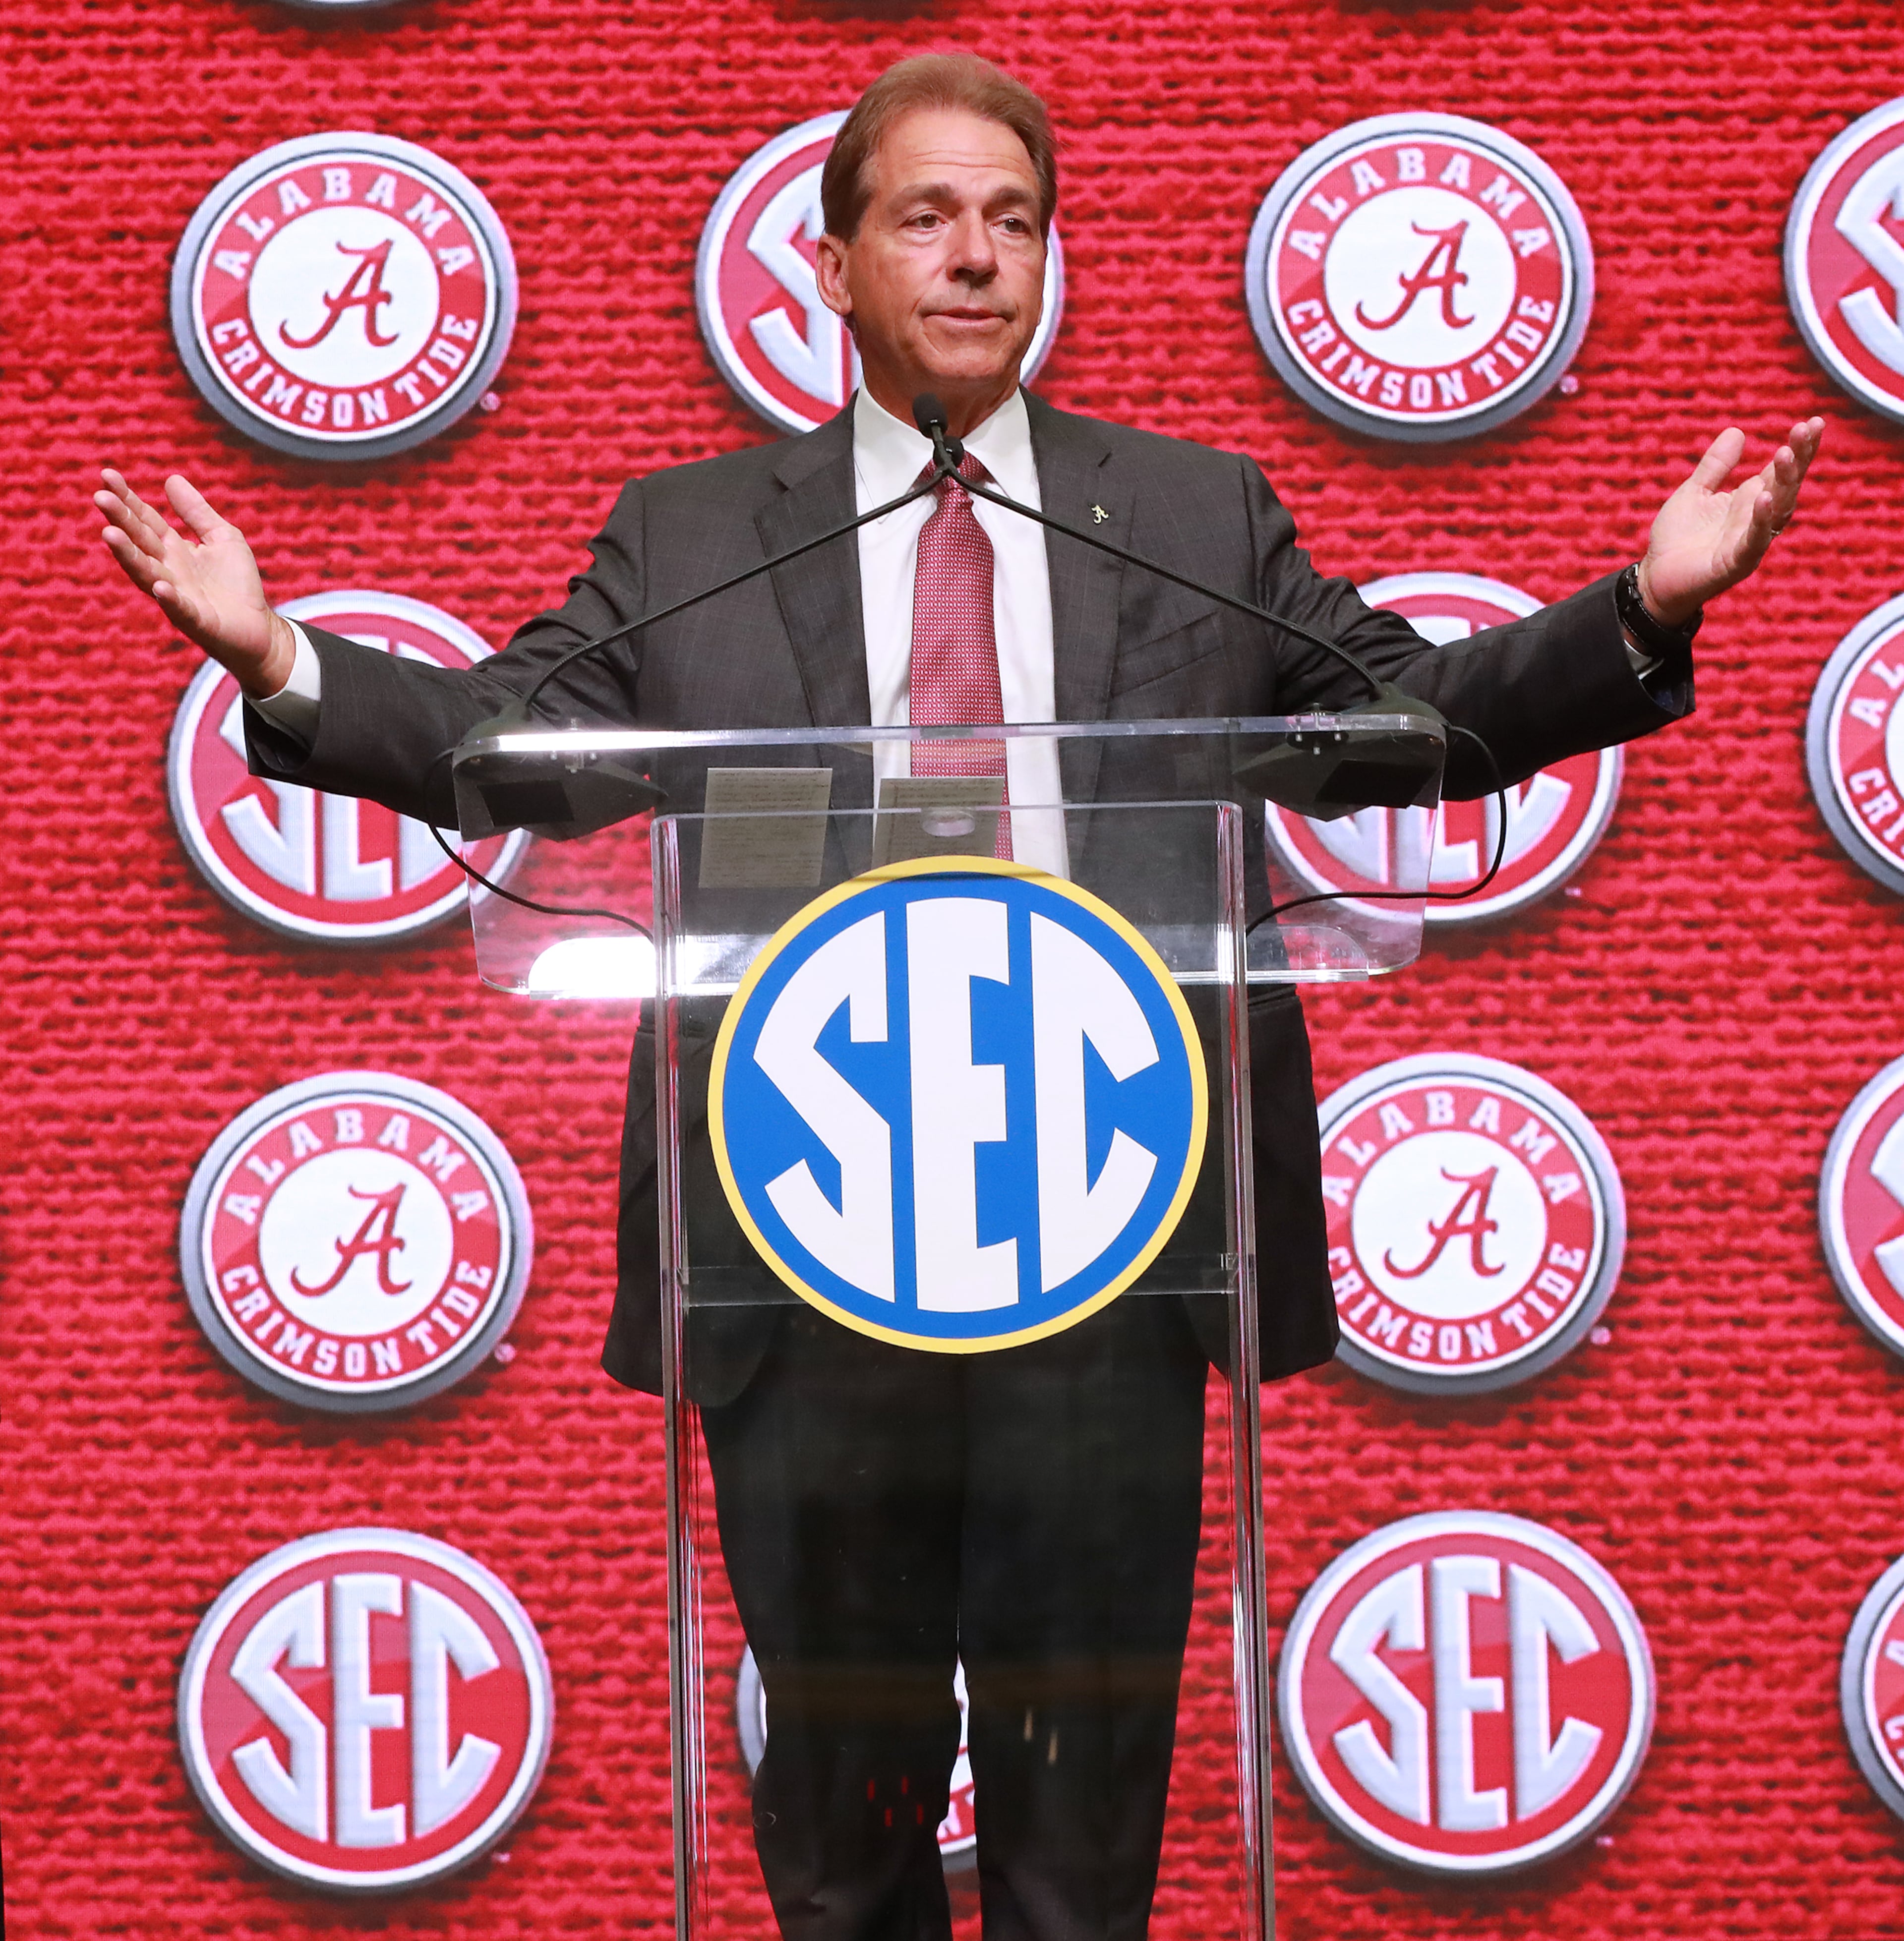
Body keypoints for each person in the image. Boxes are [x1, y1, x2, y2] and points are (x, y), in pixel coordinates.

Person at [98, 54, 1822, 1941]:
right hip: (801, 1234)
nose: (976, 258)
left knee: (1085, 1829)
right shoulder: (691, 534)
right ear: (831, 266)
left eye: (1014, 221)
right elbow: (524, 746)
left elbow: (1397, 733)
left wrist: (1642, 611)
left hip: (1119, 1232)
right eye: (925, 217)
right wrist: (282, 658)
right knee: (843, 1837)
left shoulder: (1183, 510)